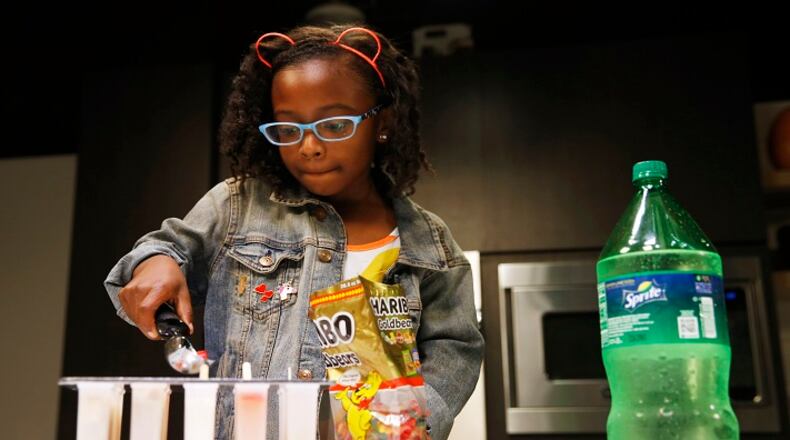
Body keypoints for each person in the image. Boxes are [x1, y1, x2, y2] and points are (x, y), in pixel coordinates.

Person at [104, 24, 483, 439]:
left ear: (383, 123)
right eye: (288, 129)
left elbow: (456, 347)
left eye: (334, 125)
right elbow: (165, 248)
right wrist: (156, 263)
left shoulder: (428, 243)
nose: (309, 147)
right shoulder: (237, 207)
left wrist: (413, 419)